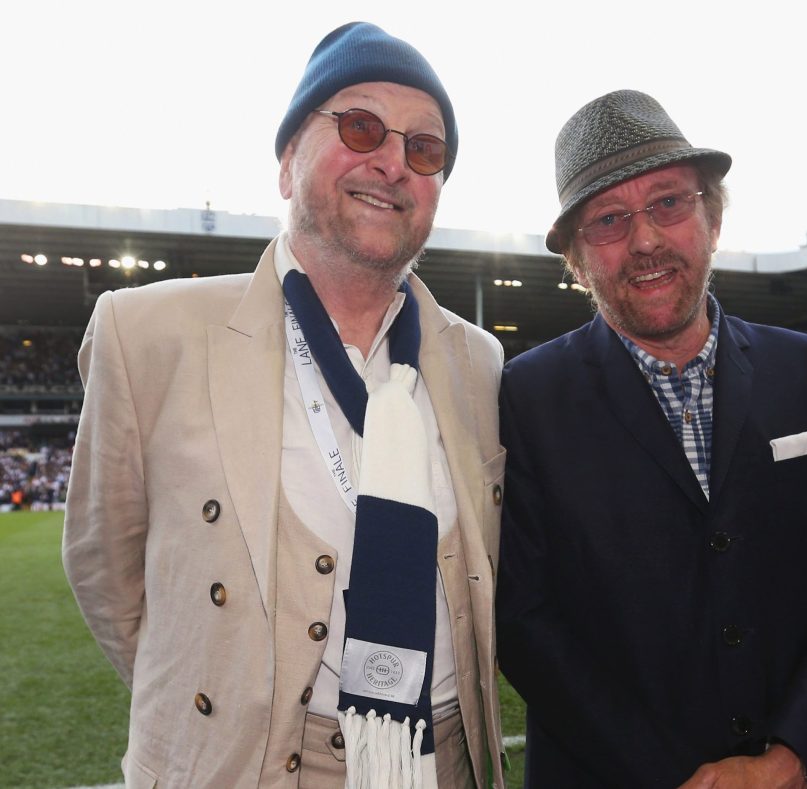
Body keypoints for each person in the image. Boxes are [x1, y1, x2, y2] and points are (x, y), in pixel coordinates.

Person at [63, 22, 506, 789]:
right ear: (286, 161)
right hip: (242, 765)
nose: (393, 162)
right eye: (360, 126)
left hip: (442, 765)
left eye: (425, 149)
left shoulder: (480, 360)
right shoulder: (148, 331)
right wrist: (218, 710)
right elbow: (105, 566)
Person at [495, 90, 807, 787]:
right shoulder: (523, 396)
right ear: (575, 257)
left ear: (711, 218)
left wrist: (789, 756)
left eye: (667, 203)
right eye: (609, 219)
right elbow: (526, 623)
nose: (646, 240)